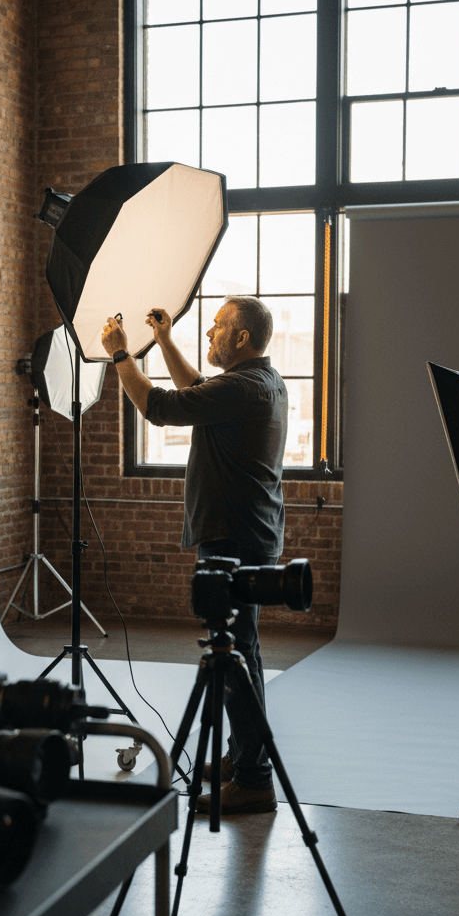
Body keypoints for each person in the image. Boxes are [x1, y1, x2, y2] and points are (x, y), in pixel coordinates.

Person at [101, 296, 288, 815]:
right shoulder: (257, 382)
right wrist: (163, 341)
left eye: (218, 327)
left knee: (235, 660)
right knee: (241, 655)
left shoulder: (243, 387)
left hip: (233, 539)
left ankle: (253, 779)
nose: (210, 332)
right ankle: (241, 756)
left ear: (243, 339)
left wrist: (122, 356)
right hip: (245, 534)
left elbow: (160, 408)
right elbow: (196, 390)